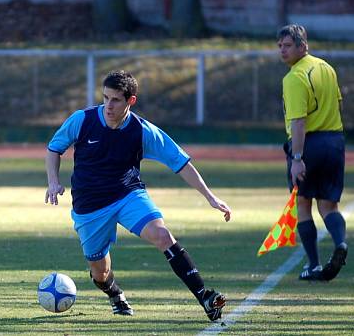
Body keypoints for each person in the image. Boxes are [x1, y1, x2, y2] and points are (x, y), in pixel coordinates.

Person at [44, 70, 232, 321]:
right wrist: (53, 182)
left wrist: (209, 196)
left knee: (163, 235)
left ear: (130, 101)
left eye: (116, 100)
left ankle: (205, 297)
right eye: (105, 98)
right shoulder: (82, 120)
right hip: (89, 206)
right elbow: (54, 149)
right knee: (100, 272)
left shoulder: (142, 130)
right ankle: (115, 293)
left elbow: (181, 162)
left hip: (128, 195)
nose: (108, 105)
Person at [277, 24, 348, 281]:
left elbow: (298, 122)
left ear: (302, 46)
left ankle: (314, 264)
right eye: (280, 46)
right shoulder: (326, 68)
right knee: (329, 204)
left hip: (309, 145)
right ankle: (340, 243)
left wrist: (297, 159)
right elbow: (339, 102)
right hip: (335, 140)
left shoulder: (294, 77)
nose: (282, 51)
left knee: (303, 203)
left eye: (288, 46)